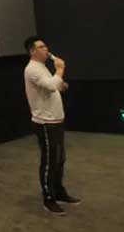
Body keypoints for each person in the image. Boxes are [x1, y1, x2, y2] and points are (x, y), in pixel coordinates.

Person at [23, 36, 80, 215]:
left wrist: (60, 84)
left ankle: (59, 191)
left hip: (55, 120)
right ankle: (48, 199)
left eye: (46, 46)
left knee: (59, 159)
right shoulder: (32, 69)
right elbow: (49, 86)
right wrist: (60, 69)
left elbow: (52, 85)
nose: (46, 49)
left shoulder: (42, 67)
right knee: (49, 161)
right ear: (32, 51)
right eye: (42, 47)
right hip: (45, 123)